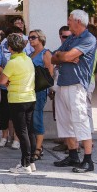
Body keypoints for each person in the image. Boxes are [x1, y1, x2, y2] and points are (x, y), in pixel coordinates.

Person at [51, 10, 97, 173]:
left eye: (70, 19)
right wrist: (64, 56)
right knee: (64, 122)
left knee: (80, 120)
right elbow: (54, 57)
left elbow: (64, 56)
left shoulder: (88, 39)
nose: (68, 22)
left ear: (78, 21)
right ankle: (73, 155)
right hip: (63, 83)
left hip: (77, 85)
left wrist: (64, 56)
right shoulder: (71, 38)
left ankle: (88, 159)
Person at [0, 33, 37, 173]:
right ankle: (31, 161)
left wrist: (9, 82)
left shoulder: (12, 62)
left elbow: (2, 81)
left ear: (10, 47)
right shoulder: (28, 59)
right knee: (29, 130)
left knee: (21, 132)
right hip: (30, 98)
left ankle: (25, 164)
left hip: (17, 100)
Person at [0, 26, 23, 150]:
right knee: (4, 113)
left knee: (16, 114)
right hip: (5, 88)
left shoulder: (23, 50)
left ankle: (16, 138)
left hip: (17, 88)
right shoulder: (0, 48)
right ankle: (4, 136)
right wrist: (8, 75)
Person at [28, 29, 54, 161]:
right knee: (31, 118)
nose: (31, 39)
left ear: (41, 38)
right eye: (30, 37)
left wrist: (49, 89)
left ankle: (38, 148)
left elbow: (50, 73)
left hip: (39, 90)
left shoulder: (46, 53)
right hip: (29, 90)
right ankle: (36, 146)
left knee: (37, 117)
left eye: (33, 37)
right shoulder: (31, 54)